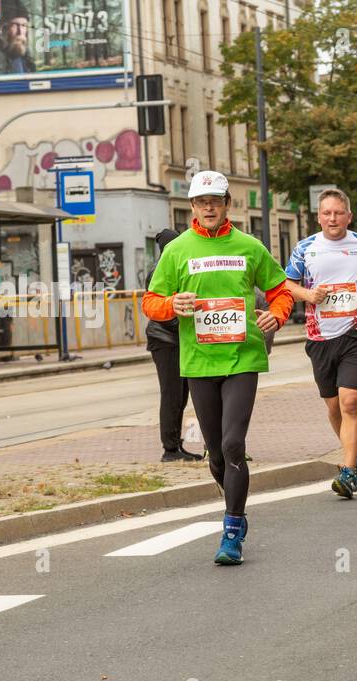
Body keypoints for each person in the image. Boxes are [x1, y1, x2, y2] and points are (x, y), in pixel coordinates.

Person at [142, 171, 293, 565]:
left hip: (243, 357)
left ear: (227, 203)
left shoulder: (249, 245)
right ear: (192, 207)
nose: (209, 207)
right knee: (215, 455)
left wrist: (276, 315)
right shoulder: (177, 250)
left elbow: (280, 290)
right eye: (201, 201)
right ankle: (235, 509)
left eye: (215, 200)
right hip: (198, 361)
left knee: (232, 445)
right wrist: (172, 305)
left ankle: (231, 528)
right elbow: (152, 300)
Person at [284, 188, 357, 499]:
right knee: (333, 406)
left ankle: (348, 471)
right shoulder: (305, 248)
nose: (333, 218)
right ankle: (354, 451)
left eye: (338, 213)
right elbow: (287, 284)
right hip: (320, 337)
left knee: (350, 402)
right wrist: (307, 295)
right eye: (327, 213)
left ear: (349, 216)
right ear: (318, 217)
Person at [145, 226, 204, 463]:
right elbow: (163, 311)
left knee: (180, 395)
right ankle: (169, 448)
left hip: (175, 339)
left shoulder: (172, 267)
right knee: (172, 394)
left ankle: (175, 445)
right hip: (165, 340)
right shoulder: (159, 271)